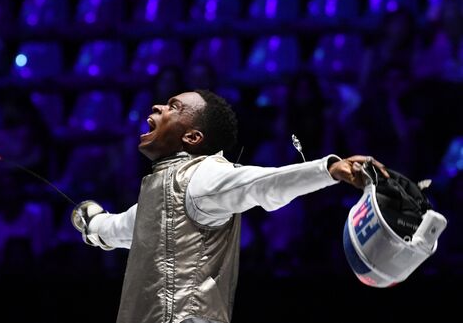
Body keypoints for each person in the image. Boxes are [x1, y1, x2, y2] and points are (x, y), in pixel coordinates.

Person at [71, 89, 389, 323]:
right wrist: (92, 223)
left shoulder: (205, 177)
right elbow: (120, 228)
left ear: (193, 137)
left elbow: (260, 184)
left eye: (173, 107)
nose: (157, 106)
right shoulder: (161, 190)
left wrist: (327, 170)